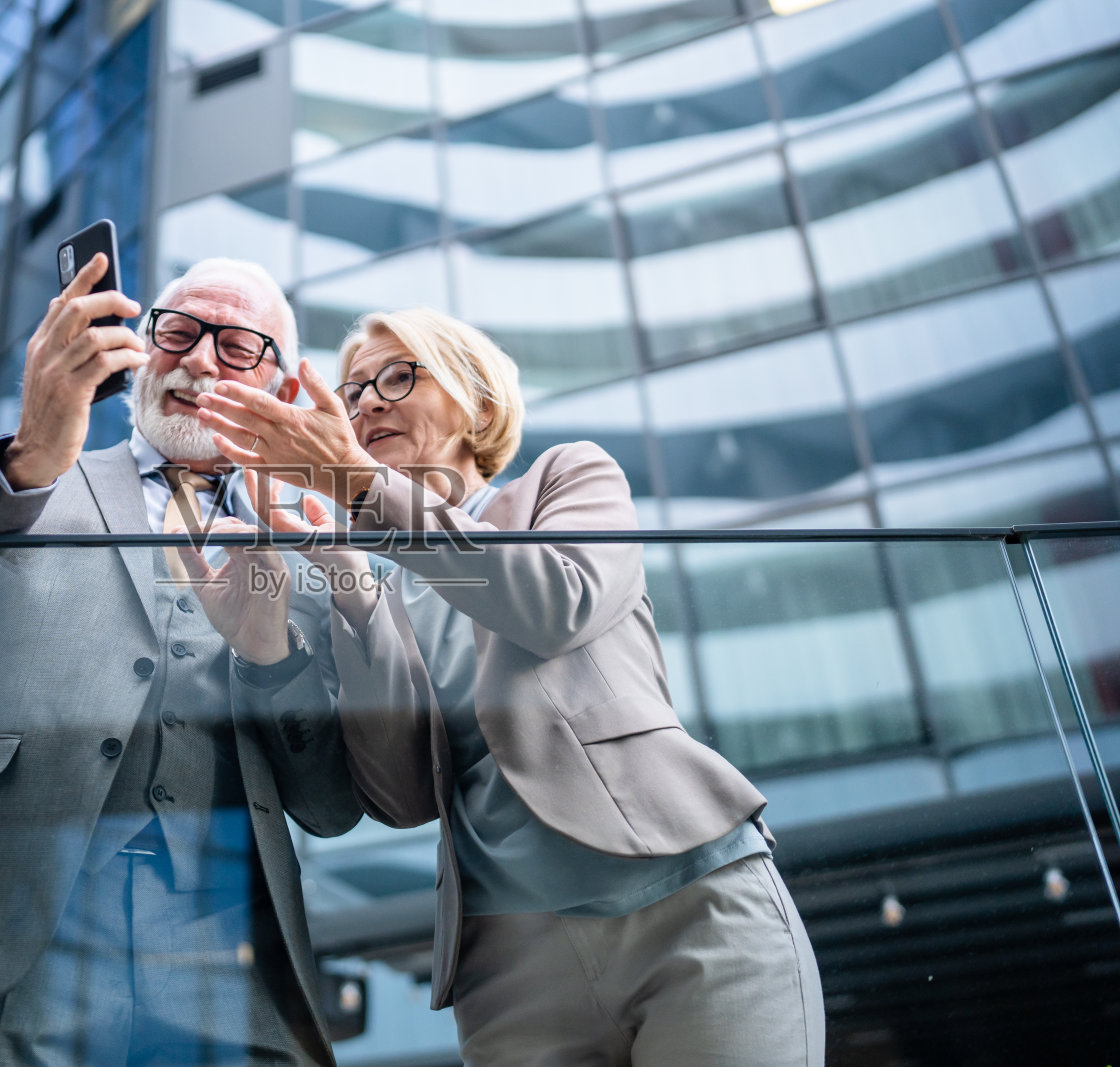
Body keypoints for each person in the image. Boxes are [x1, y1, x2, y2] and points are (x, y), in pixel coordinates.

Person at [193, 308, 826, 1066]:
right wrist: (348, 582)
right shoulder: (373, 588)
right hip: (512, 967)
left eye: (396, 377)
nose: (365, 404)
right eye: (352, 391)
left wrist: (359, 488)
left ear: (481, 407)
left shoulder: (567, 478)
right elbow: (401, 797)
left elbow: (555, 603)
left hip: (684, 901)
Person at [0, 254, 362, 1066]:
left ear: (284, 388)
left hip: (224, 958)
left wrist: (269, 655)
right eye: (177, 332)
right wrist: (26, 458)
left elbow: (328, 804)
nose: (198, 359)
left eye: (236, 345)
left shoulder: (309, 548)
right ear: (141, 351)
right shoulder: (31, 476)